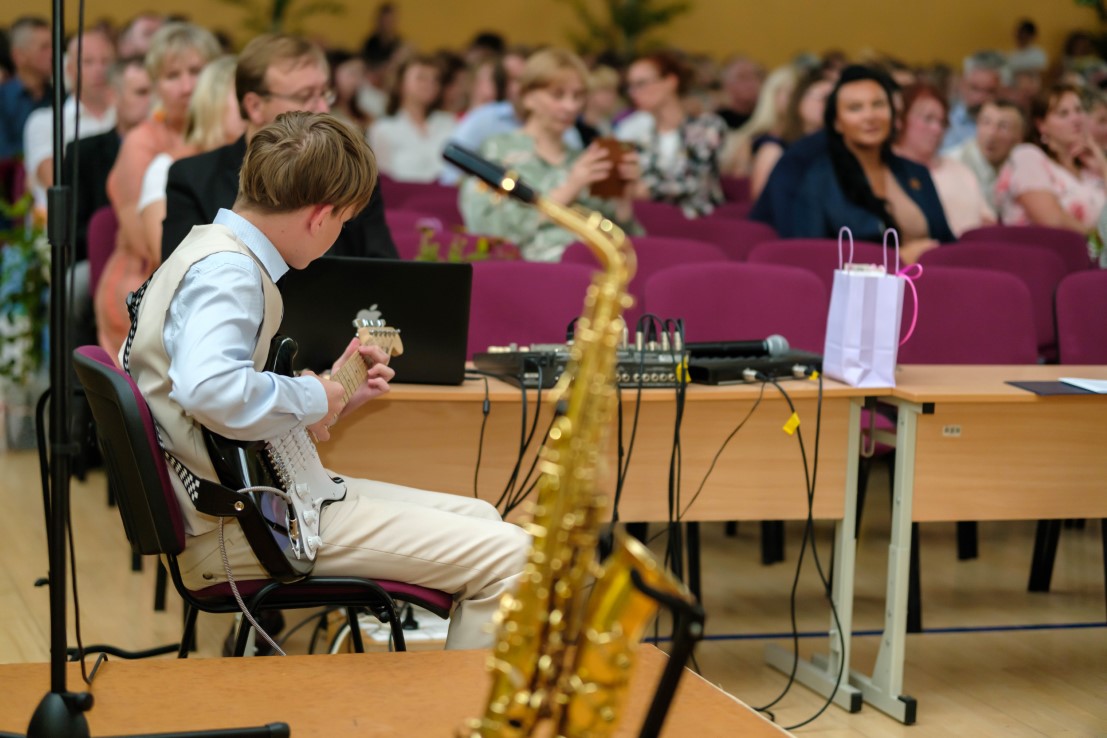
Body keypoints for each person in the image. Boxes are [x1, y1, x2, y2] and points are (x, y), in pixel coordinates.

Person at [126, 111, 529, 650]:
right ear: (321, 216)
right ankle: (463, 704)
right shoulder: (230, 272)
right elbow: (209, 390)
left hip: (245, 504)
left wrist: (330, 395)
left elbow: (211, 401)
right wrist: (315, 394)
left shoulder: (211, 248)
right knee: (514, 555)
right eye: (344, 221)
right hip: (238, 529)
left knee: (483, 516)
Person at [162, 33, 397, 263]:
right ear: (255, 106)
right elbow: (185, 273)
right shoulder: (193, 178)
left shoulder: (352, 172)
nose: (323, 108)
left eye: (325, 93)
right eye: (305, 96)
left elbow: (383, 268)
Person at [95, 21, 221, 359]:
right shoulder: (142, 143)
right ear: (155, 86)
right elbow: (151, 245)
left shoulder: (224, 134)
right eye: (172, 76)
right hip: (145, 281)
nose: (187, 86)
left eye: (196, 71)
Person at [459, 48, 641, 261]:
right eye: (557, 95)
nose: (570, 106)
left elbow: (622, 241)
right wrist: (570, 187)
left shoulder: (582, 159)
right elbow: (487, 228)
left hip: (593, 267)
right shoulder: (497, 152)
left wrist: (623, 200)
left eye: (578, 96)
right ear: (527, 97)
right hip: (530, 272)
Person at [791, 65, 954, 262]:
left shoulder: (916, 172)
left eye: (878, 105)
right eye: (855, 108)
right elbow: (812, 258)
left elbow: (946, 242)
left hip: (929, 278)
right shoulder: (818, 180)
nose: (870, 116)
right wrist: (897, 258)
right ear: (837, 123)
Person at [138, 55, 244, 255]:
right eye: (242, 96)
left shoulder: (259, 163)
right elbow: (169, 261)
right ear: (213, 102)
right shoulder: (167, 168)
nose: (254, 107)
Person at [616, 50, 727, 217]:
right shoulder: (635, 132)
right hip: (651, 220)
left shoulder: (708, 126)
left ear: (670, 82)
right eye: (630, 86)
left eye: (641, 83)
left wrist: (646, 189)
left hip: (700, 221)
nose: (634, 93)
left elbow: (696, 182)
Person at [64, 56, 152, 261]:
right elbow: (73, 231)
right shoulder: (83, 152)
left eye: (155, 91)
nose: (151, 101)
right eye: (141, 92)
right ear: (113, 96)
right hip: (101, 260)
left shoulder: (178, 148)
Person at [22, 29, 117, 215]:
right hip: (67, 223)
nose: (99, 70)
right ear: (69, 69)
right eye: (88, 62)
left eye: (106, 61)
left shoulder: (128, 117)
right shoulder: (45, 121)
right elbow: (56, 181)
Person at [995, 84, 1107, 233]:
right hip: (1044, 246)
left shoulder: (1089, 168)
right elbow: (1052, 221)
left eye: (1078, 110)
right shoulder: (1027, 156)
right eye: (1063, 114)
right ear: (1041, 125)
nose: (1076, 119)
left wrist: (1102, 165)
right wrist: (1098, 240)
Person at [893, 84, 994, 236]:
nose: (937, 129)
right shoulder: (886, 169)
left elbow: (988, 220)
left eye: (942, 122)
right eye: (928, 119)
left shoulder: (960, 170)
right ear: (900, 120)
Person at [368, 53, 456, 182]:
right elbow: (382, 179)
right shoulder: (383, 128)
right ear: (400, 83)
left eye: (435, 79)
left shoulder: (449, 122)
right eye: (421, 78)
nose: (429, 84)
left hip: (446, 192)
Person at [748, 67, 832, 201]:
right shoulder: (774, 149)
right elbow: (764, 203)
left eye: (834, 99)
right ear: (799, 99)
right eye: (825, 98)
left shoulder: (835, 147)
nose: (831, 106)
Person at [720, 64, 797, 177]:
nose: (798, 99)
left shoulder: (807, 138)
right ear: (772, 95)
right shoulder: (754, 140)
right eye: (791, 93)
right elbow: (738, 182)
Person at [945, 98, 1025, 205]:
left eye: (1003, 127)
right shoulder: (954, 163)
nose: (992, 133)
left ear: (1019, 138)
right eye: (986, 123)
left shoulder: (1021, 167)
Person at [0, 16, 52, 160]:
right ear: (19, 56)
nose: (53, 53)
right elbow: (4, 154)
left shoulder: (60, 96)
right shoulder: (3, 100)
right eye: (44, 47)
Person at [941, 51, 1006, 152]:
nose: (980, 98)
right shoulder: (944, 120)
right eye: (975, 88)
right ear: (962, 85)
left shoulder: (1006, 127)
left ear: (1001, 92)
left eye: (989, 91)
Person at [715, 56, 763, 130]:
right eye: (742, 77)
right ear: (726, 84)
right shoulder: (717, 121)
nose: (751, 82)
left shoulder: (766, 118)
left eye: (755, 76)